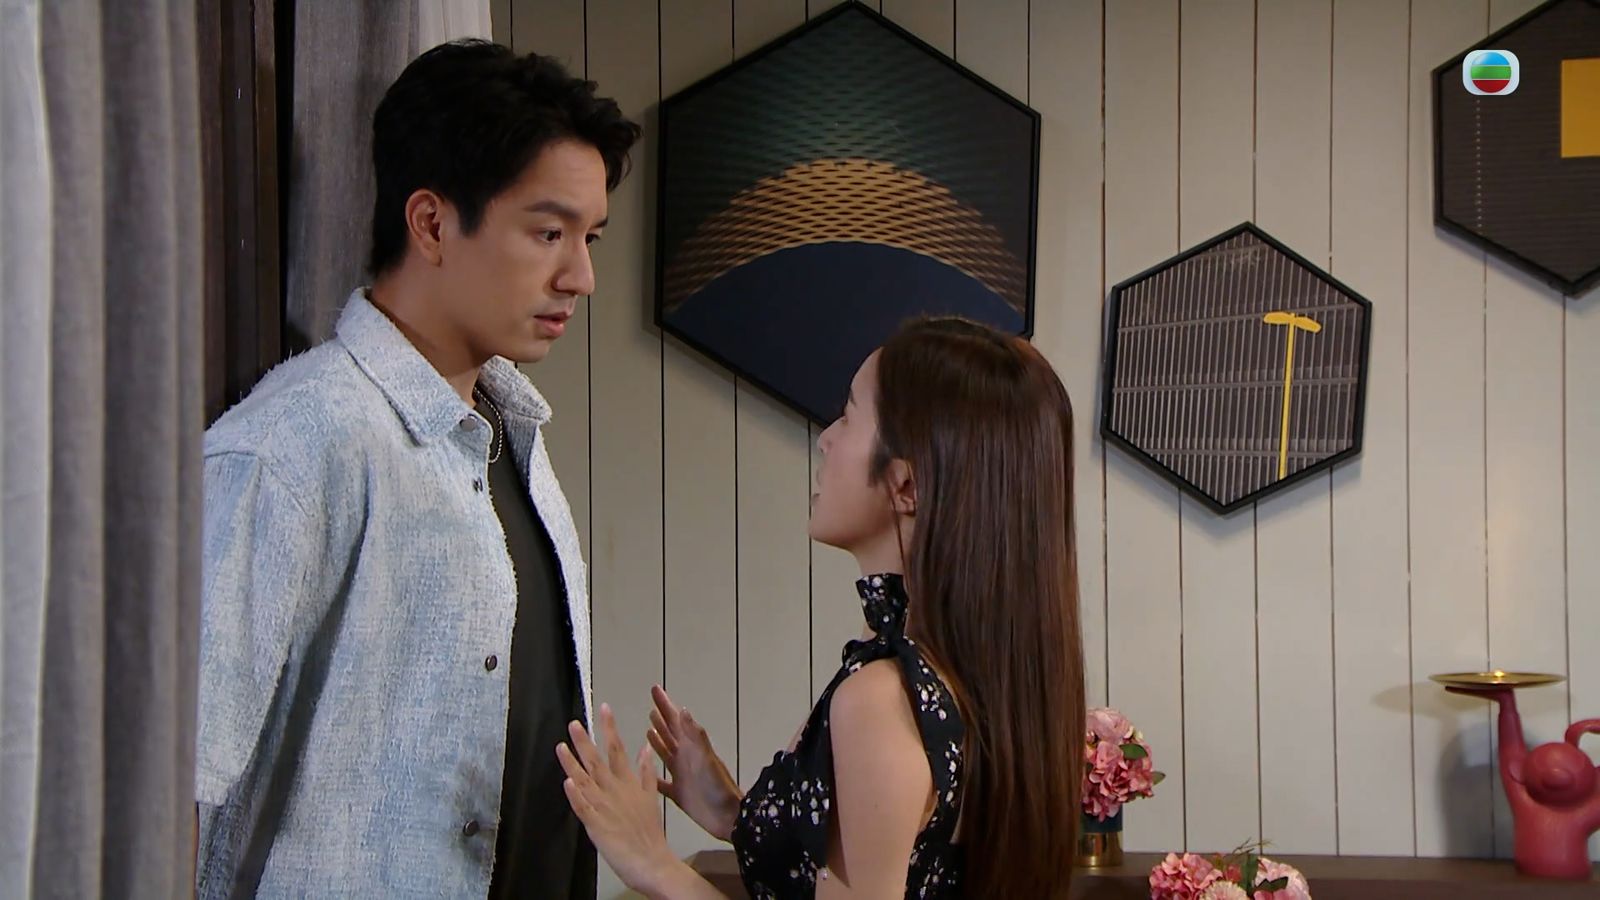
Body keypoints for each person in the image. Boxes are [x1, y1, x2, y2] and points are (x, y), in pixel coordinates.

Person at [195, 40, 641, 898]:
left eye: (588, 238)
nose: (581, 277)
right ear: (432, 224)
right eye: (549, 233)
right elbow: (180, 777)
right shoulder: (293, 445)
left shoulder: (513, 433)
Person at [556, 317, 1088, 898]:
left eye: (848, 416)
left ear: (906, 487)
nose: (826, 439)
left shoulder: (882, 700)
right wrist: (735, 813)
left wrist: (654, 864)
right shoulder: (958, 673)